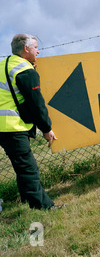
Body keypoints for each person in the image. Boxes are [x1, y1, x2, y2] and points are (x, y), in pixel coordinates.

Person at [0, 34, 59, 210]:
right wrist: (46, 128)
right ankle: (43, 207)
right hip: (12, 126)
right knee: (29, 169)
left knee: (21, 166)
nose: (38, 51)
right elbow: (36, 103)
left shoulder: (5, 64)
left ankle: (27, 200)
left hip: (3, 127)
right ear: (26, 49)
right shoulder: (24, 71)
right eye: (35, 47)